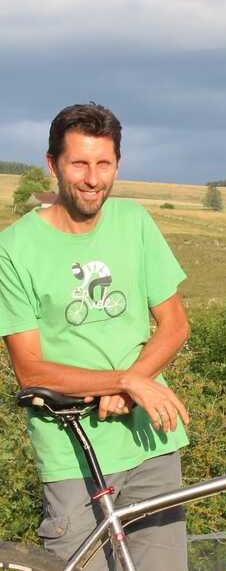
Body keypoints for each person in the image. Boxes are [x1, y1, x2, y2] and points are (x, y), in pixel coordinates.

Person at [0, 103, 191, 570]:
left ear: (117, 166)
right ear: (52, 165)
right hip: (72, 454)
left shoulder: (135, 222)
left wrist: (133, 383)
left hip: (152, 442)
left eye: (104, 164)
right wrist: (123, 382)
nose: (92, 178)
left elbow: (175, 325)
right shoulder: (14, 249)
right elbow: (30, 369)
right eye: (79, 164)